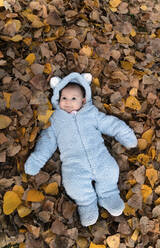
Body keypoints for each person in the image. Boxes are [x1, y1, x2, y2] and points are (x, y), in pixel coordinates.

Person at [25, 72, 137, 226]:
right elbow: (47, 141)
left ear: (83, 100)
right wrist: (37, 160)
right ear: (58, 98)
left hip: (98, 155)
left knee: (110, 171)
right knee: (73, 184)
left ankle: (109, 194)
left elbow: (110, 124)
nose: (68, 102)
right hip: (74, 163)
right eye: (64, 98)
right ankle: (87, 204)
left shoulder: (91, 114)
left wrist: (125, 134)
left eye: (73, 98)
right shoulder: (56, 120)